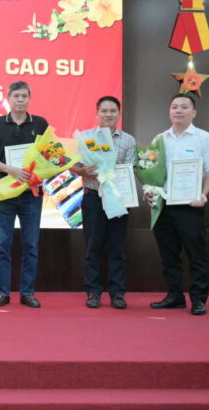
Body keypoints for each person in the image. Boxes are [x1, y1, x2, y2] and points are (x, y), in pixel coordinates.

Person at [146, 94, 209, 316]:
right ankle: (175, 296)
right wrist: (149, 192)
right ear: (169, 112)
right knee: (168, 255)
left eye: (184, 107)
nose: (179, 110)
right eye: (175, 107)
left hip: (191, 205)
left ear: (194, 112)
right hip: (164, 206)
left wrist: (203, 195)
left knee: (196, 255)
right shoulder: (160, 139)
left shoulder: (205, 138)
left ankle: (198, 299)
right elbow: (151, 171)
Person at [0, 80, 48, 308]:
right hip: (4, 194)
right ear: (8, 99)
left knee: (31, 244)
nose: (20, 100)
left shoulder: (40, 123)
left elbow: (48, 156)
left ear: (29, 99)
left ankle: (27, 292)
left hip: (31, 194)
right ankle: (3, 293)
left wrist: (40, 171)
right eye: (16, 96)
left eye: (24, 96)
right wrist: (11, 170)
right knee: (2, 244)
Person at [71, 96, 135, 309]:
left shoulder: (128, 140)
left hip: (118, 198)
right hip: (93, 196)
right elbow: (73, 166)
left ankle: (117, 293)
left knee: (118, 247)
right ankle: (93, 292)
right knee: (93, 246)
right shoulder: (86, 137)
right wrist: (80, 170)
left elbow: (130, 169)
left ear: (119, 113)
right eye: (104, 111)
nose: (109, 114)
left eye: (113, 111)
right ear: (97, 113)